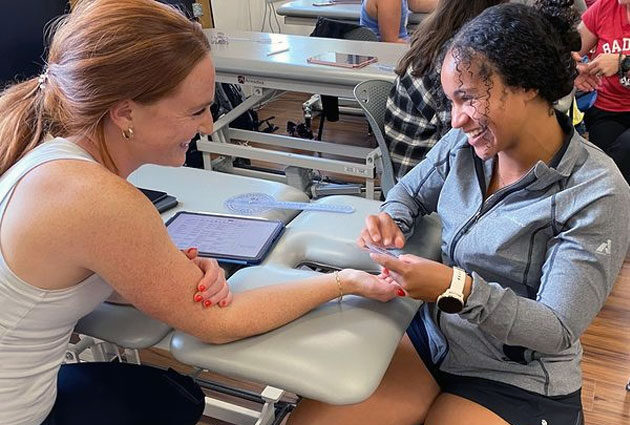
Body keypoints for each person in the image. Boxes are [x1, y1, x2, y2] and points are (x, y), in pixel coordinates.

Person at [0, 1, 403, 424]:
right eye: (196, 111)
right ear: (124, 112)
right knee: (175, 400)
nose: (210, 126)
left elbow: (76, 276)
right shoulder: (95, 198)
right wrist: (341, 283)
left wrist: (166, 272)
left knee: (175, 396)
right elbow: (217, 322)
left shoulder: (45, 150)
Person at [288, 2, 630, 425]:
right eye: (451, 101)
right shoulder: (465, 148)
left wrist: (457, 289)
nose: (455, 121)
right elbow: (408, 192)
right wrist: (392, 217)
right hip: (438, 339)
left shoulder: (595, 191)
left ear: (526, 86)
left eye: (467, 99)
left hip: (515, 374)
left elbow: (555, 328)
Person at [385, 0, 506, 180]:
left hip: (415, 167)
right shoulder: (455, 63)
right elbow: (463, 145)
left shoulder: (437, 42)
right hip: (421, 182)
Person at [574, 0, 630, 184]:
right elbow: (571, 50)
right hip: (608, 110)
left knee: (623, 153)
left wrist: (623, 62)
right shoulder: (605, 7)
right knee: (601, 164)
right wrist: (575, 70)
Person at [359, 0, 437, 43]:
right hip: (390, 56)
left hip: (399, 48)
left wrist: (447, 5)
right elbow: (391, 43)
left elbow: (417, 4)